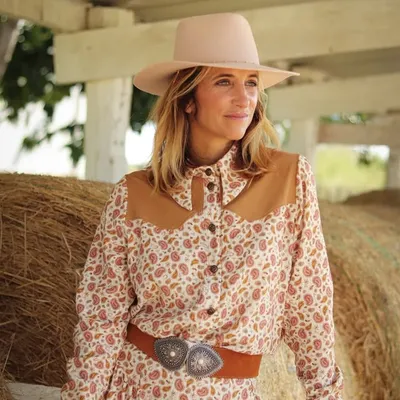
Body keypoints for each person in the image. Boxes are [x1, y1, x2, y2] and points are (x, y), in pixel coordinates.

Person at [60, 12, 344, 400]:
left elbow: (309, 304)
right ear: (188, 98)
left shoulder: (290, 179)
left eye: (251, 82)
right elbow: (102, 316)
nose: (244, 98)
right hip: (137, 385)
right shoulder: (133, 194)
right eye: (224, 81)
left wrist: (325, 393)